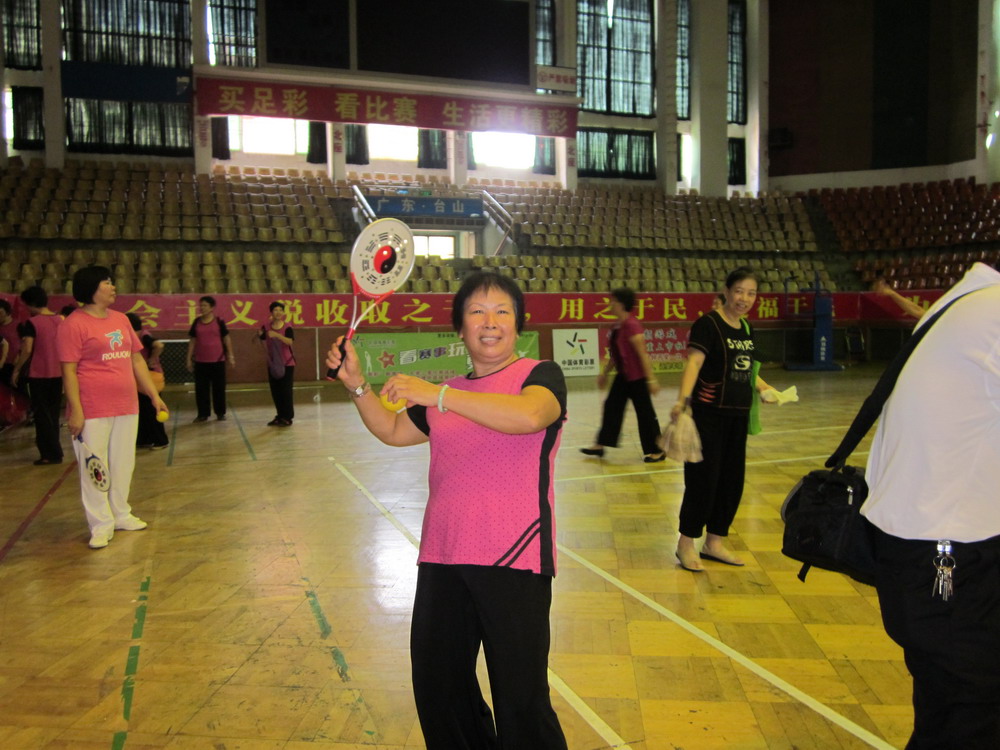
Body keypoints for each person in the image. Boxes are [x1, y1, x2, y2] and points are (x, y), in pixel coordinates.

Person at [326, 270, 568, 750]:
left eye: (501, 311)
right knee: (439, 686)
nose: (490, 321)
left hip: (514, 556)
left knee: (520, 697)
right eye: (476, 312)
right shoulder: (446, 392)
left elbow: (528, 416)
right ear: (460, 328)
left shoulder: (539, 376)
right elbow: (392, 430)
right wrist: (356, 385)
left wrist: (437, 395)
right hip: (443, 556)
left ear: (518, 324)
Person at [860, 261, 1000, 749]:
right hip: (947, 553)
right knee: (974, 707)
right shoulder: (993, 312)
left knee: (946, 705)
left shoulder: (965, 303)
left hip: (918, 550)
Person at [671, 267, 775, 572]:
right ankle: (685, 543)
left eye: (751, 293)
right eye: (739, 291)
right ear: (727, 291)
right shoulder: (708, 324)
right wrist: (682, 400)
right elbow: (694, 363)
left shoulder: (747, 328)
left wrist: (765, 388)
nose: (745, 298)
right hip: (708, 415)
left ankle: (714, 542)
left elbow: (748, 368)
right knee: (703, 480)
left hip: (738, 416)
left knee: (731, 482)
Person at [57, 267, 167, 549]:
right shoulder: (73, 324)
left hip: (126, 404)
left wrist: (153, 395)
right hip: (92, 408)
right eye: (107, 283)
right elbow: (68, 371)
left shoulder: (120, 319)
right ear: (92, 288)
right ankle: (100, 524)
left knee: (123, 462)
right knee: (95, 468)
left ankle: (121, 513)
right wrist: (76, 410)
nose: (113, 287)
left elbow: (137, 360)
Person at [580, 287, 665, 462]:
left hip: (637, 378)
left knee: (645, 413)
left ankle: (657, 450)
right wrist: (605, 373)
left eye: (613, 301)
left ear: (621, 303)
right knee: (612, 407)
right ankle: (600, 445)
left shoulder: (632, 325)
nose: (610, 304)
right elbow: (616, 354)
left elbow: (642, 354)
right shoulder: (617, 325)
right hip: (623, 376)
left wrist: (651, 380)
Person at [11, 286, 64, 465]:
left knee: (41, 415)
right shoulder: (60, 320)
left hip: (38, 374)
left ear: (32, 303)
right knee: (53, 413)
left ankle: (49, 454)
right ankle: (55, 451)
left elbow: (27, 349)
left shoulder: (31, 323)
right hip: (58, 373)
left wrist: (17, 369)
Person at [186, 295, 234, 422]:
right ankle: (203, 414)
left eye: (205, 305)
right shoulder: (196, 322)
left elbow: (226, 338)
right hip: (201, 361)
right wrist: (188, 358)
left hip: (218, 360)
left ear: (212, 308)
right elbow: (192, 341)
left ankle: (220, 412)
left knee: (219, 388)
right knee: (201, 389)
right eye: (201, 305)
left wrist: (230, 355)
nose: (202, 308)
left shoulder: (219, 321)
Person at [126, 313, 168, 450]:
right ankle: (144, 439)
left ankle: (160, 440)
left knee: (151, 409)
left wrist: (151, 359)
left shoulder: (144, 336)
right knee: (142, 410)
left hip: (151, 377)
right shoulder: (135, 336)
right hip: (140, 379)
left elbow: (159, 345)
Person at [259, 301, 295, 426]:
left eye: (280, 310)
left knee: (286, 391)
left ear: (284, 312)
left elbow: (290, 341)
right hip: (273, 363)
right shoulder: (266, 326)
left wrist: (277, 335)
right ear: (271, 312)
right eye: (275, 310)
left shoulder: (287, 327)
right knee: (276, 391)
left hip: (287, 363)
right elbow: (261, 338)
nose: (278, 312)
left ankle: (287, 417)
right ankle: (280, 415)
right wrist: (260, 334)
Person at [0, 299, 21, 388]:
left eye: (0, 313)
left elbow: (26, 345)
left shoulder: (18, 325)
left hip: (14, 364)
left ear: (7, 312)